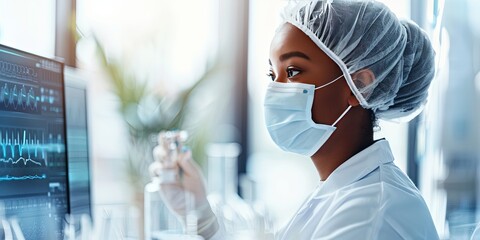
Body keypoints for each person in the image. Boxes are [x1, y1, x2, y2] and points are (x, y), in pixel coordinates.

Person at [151, 0, 439, 239]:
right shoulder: (340, 191)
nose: (276, 89)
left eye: (292, 71)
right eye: (271, 74)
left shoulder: (370, 215)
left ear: (359, 85)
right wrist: (201, 217)